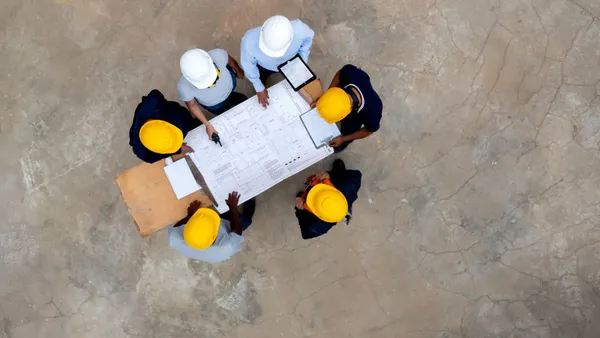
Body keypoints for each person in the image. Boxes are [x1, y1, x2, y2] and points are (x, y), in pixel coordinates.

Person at [241, 15, 314, 107]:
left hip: (291, 61)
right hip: (265, 67)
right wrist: (258, 86)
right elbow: (248, 65)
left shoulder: (300, 30)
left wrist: (302, 62)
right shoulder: (249, 41)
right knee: (262, 76)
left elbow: (307, 42)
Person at [178, 48, 247, 140]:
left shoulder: (218, 54)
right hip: (214, 104)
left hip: (230, 87)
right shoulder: (183, 87)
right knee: (223, 111)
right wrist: (207, 125)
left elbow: (231, 63)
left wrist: (239, 71)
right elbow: (192, 106)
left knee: (237, 98)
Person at [168, 192, 256, 263]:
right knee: (244, 221)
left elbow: (176, 226)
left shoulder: (175, 238)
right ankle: (250, 200)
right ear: (215, 236)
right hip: (228, 228)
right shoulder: (226, 246)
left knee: (224, 212)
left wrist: (190, 215)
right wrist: (233, 207)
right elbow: (237, 231)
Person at [316, 64, 383, 153]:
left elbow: (369, 130)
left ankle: (339, 146)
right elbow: (340, 74)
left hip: (354, 121)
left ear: (343, 116)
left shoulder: (373, 112)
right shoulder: (350, 74)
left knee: (348, 130)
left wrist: (343, 139)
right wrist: (327, 96)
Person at [294, 159, 362, 239]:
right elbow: (357, 175)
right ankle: (338, 171)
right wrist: (332, 175)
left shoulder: (318, 226)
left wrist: (300, 210)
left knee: (301, 197)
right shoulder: (349, 188)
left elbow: (305, 234)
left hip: (311, 208)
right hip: (340, 192)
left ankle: (304, 199)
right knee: (342, 178)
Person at [129, 89, 199, 163]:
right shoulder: (142, 152)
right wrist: (178, 150)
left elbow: (155, 94)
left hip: (180, 116)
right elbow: (153, 157)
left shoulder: (153, 102)